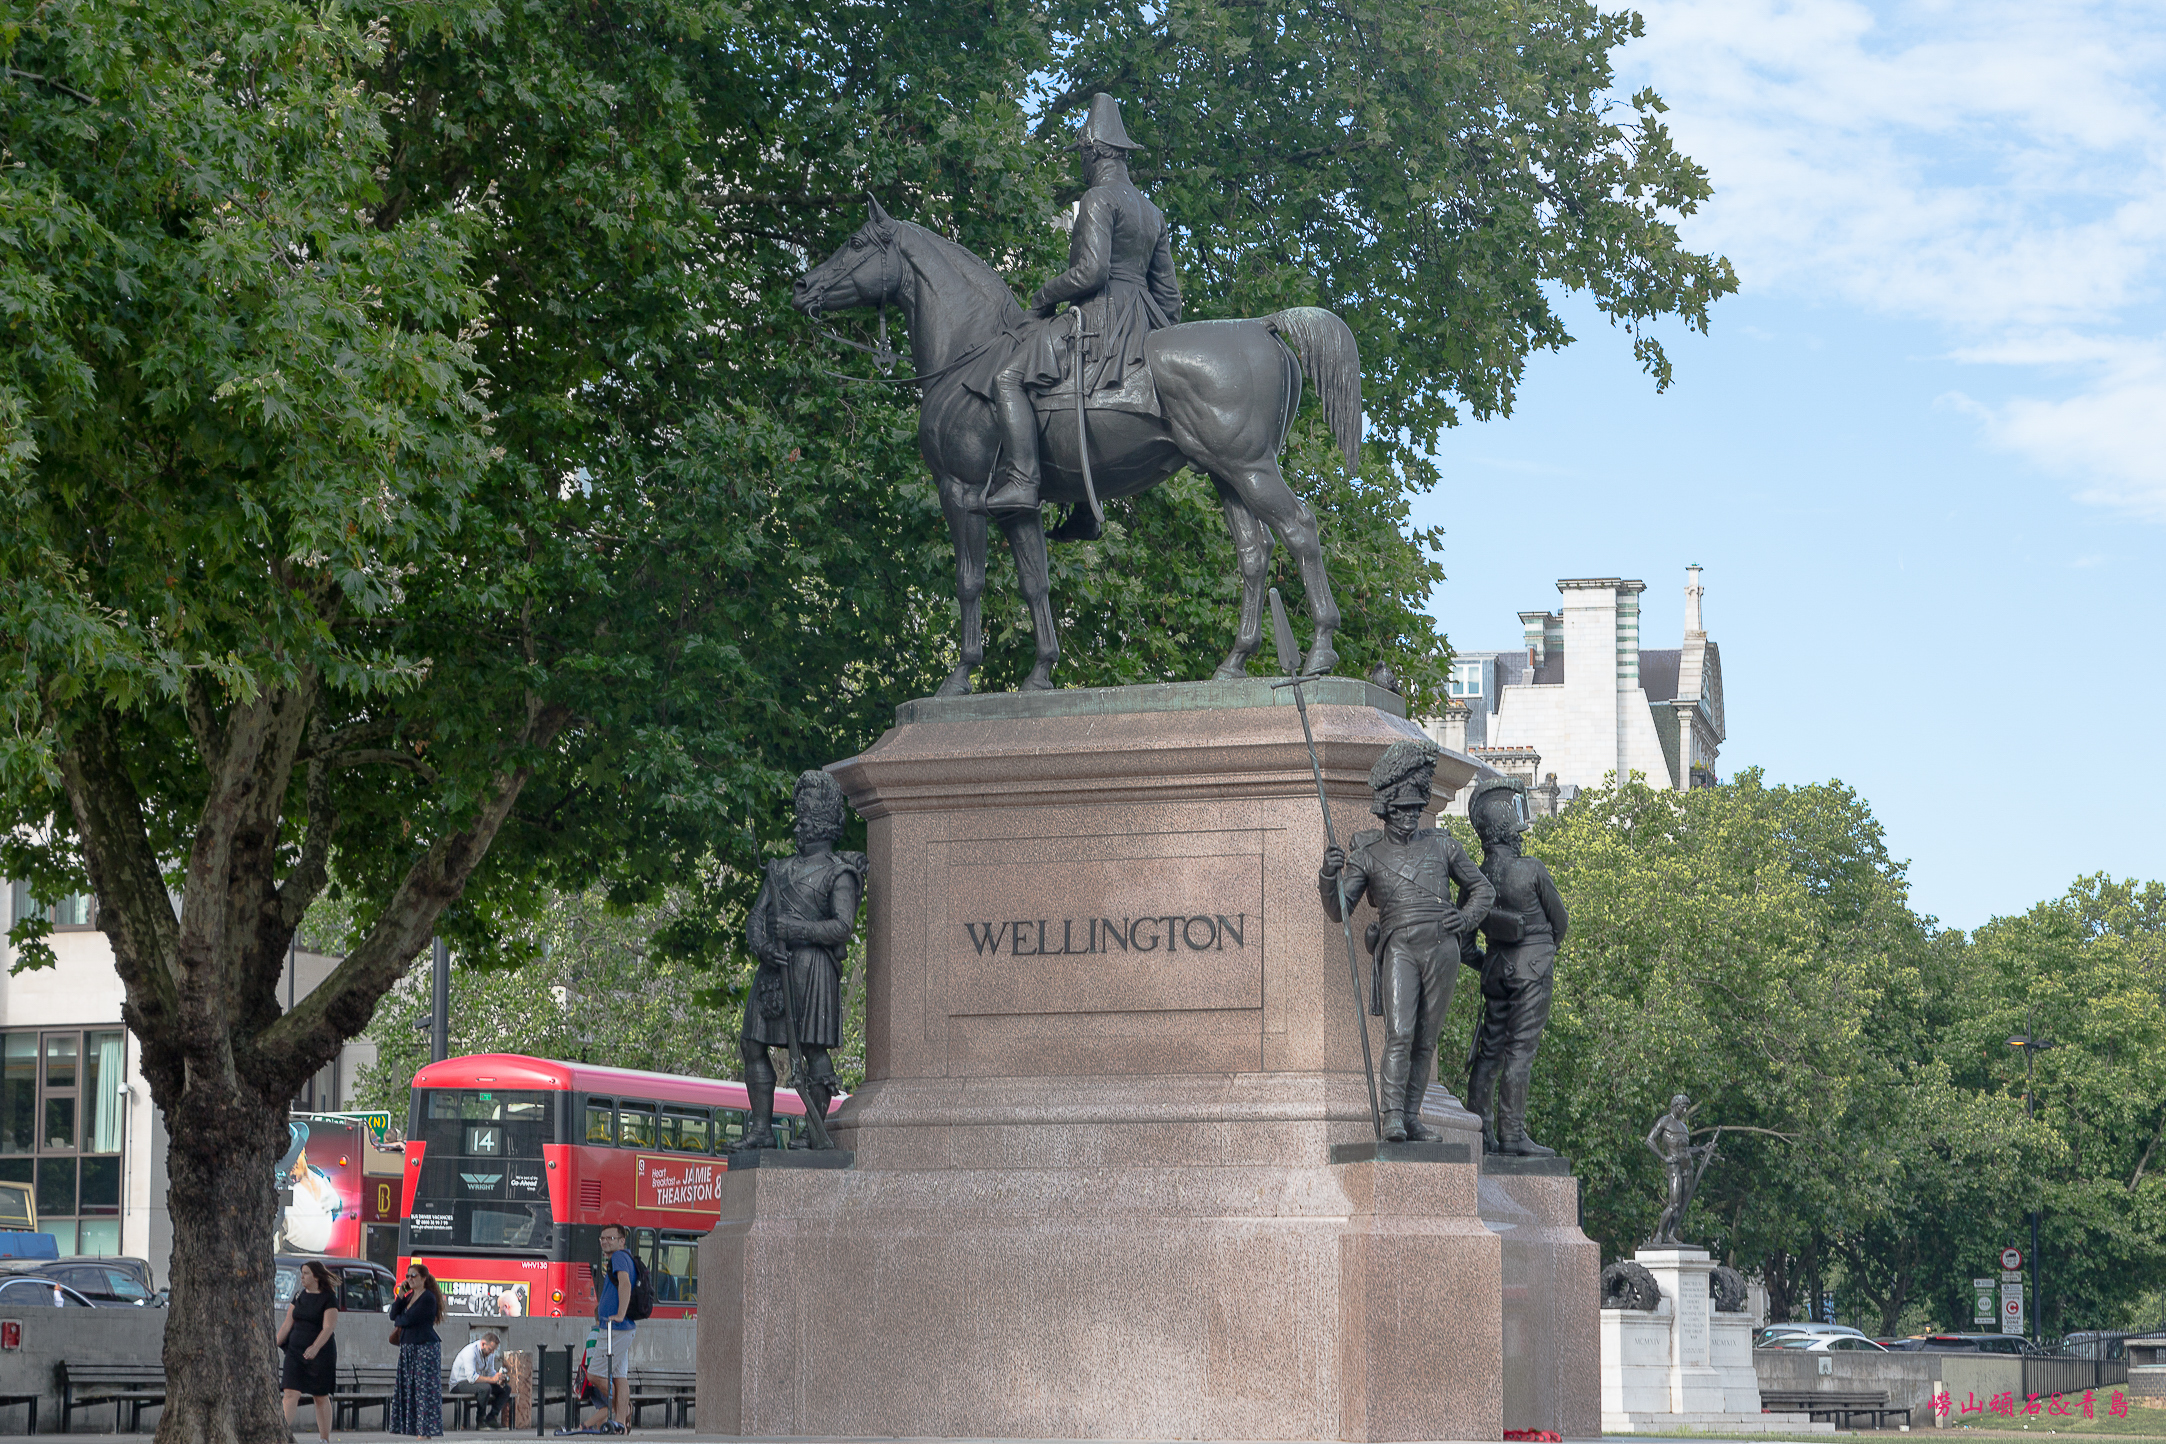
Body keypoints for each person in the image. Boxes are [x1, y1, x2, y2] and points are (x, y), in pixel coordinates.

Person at [984, 92, 1182, 540]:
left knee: (1009, 379)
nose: (1081, 165)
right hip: (1145, 321)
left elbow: (1091, 271)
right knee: (1073, 394)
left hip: (1100, 316)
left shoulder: (1097, 198)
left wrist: (1043, 294)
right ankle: (1084, 509)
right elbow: (1169, 296)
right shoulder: (1152, 212)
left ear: (1093, 152)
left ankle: (1021, 481)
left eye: (1082, 156)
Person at [1319, 738, 1495, 1142]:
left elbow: (1482, 890)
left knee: (1426, 1039)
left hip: (1442, 947)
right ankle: (1392, 1114)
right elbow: (1339, 911)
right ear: (1385, 811)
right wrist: (1329, 876)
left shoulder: (1444, 846)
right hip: (1399, 945)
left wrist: (1466, 918)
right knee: (1400, 1032)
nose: (1409, 818)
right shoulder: (1366, 855)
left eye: (1416, 810)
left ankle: (1412, 1115)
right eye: (1400, 811)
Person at [741, 770, 866, 1148]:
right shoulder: (778, 869)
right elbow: (756, 917)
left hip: (812, 970)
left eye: (808, 814)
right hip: (775, 969)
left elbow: (842, 926)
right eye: (800, 812)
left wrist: (797, 930)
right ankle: (761, 1130)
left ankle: (813, 1134)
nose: (801, 821)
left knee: (813, 1052)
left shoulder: (838, 873)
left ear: (825, 822)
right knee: (752, 1045)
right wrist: (763, 945)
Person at [1461, 776, 1570, 1156]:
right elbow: (1561, 922)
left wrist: (1491, 962)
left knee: (1489, 1052)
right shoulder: (1532, 869)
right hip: (1532, 970)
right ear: (1508, 831)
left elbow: (1463, 944)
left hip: (1495, 970)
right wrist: (1538, 957)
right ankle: (1512, 1134)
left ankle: (1479, 1131)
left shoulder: (1475, 876)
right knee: (1519, 1052)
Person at [562, 1224, 637, 1434]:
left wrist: (620, 1314)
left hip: (615, 1327)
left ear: (622, 1240)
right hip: (620, 1327)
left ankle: (620, 1409)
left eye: (611, 1238)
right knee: (620, 1377)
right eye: (602, 1238)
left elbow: (625, 1284)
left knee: (594, 1374)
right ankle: (620, 1420)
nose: (605, 1242)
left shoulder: (619, 1258)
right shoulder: (624, 1258)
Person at [277, 1259, 340, 1443]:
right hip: (295, 1352)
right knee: (290, 1393)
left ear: (316, 1276)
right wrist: (274, 1344)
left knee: (320, 1396)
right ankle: (282, 1434)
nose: (302, 1277)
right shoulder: (299, 1295)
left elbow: (328, 1327)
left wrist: (315, 1347)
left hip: (320, 1354)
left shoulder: (329, 1298)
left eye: (305, 1273)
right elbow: (288, 1323)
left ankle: (324, 1438)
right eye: (301, 1273)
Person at [1645, 1093, 1712, 1245]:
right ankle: (1659, 1235)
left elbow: (1687, 1150)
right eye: (1682, 1106)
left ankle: (1671, 1234)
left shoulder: (1684, 1127)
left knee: (1682, 1204)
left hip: (1687, 1167)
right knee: (1674, 1204)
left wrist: (1702, 1148)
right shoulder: (1665, 1121)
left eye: (1686, 1107)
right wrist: (1664, 1157)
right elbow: (1649, 1141)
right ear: (1674, 1106)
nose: (1684, 1110)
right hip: (1674, 1166)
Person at [389, 1262, 444, 1438]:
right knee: (410, 1389)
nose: (409, 1279)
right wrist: (401, 1296)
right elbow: (393, 1315)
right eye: (407, 1276)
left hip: (424, 1347)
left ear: (423, 1278)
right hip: (408, 1348)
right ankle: (414, 1428)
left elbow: (408, 1319)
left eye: (413, 1276)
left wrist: (400, 1319)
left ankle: (425, 1430)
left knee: (424, 1390)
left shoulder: (428, 1298)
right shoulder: (409, 1296)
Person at [450, 1330, 510, 1428]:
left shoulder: (490, 1354)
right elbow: (471, 1378)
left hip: (475, 1382)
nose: (492, 1352)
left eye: (494, 1350)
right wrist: (493, 1380)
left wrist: (498, 1377)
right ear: (483, 1344)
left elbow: (490, 1372)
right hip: (459, 1383)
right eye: (490, 1349)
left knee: (506, 1389)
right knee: (485, 1388)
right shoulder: (470, 1352)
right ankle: (480, 1421)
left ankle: (492, 1418)